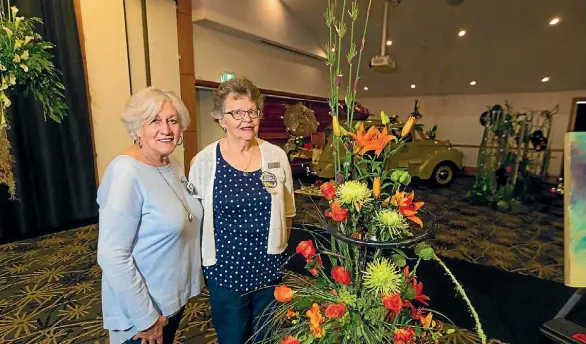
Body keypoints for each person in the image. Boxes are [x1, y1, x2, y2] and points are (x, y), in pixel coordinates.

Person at [189, 77, 296, 344]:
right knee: (232, 337)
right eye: (237, 112)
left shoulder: (276, 156)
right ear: (221, 119)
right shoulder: (204, 161)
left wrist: (279, 248)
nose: (246, 119)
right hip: (225, 269)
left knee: (267, 336)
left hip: (268, 267)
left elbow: (289, 211)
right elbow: (195, 219)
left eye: (252, 111)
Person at [97, 87, 203, 344]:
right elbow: (112, 255)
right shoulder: (126, 172)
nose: (165, 130)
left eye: (172, 120)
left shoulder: (172, 164)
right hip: (142, 314)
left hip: (169, 301)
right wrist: (146, 318)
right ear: (137, 128)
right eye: (155, 120)